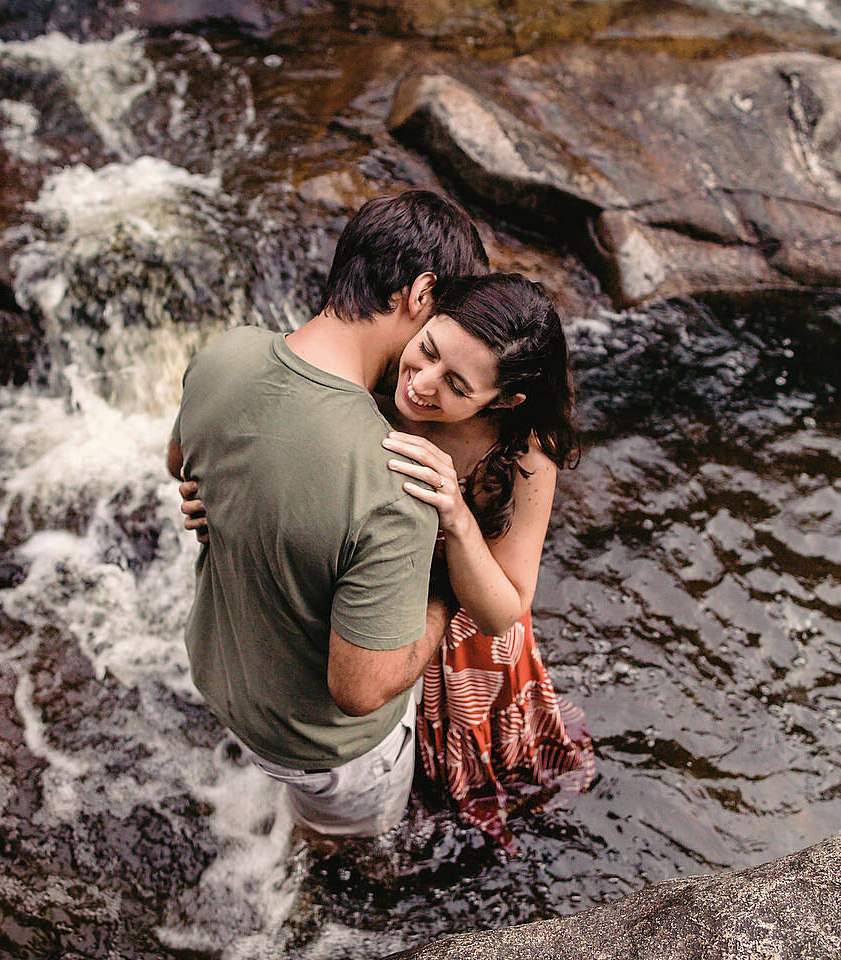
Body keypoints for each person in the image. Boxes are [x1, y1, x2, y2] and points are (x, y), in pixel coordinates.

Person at [182, 272, 595, 849]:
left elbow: (506, 610)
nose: (421, 384)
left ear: (504, 400)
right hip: (353, 615)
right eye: (427, 349)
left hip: (453, 634)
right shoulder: (371, 379)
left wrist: (456, 518)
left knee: (430, 805)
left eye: (456, 385)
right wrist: (220, 500)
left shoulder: (525, 454)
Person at [167, 190, 488, 838]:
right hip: (323, 750)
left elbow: (181, 463)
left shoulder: (226, 353)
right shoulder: (396, 481)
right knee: (354, 860)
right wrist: (445, 597)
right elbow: (360, 689)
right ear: (420, 294)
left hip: (221, 680)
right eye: (445, 323)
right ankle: (329, 855)